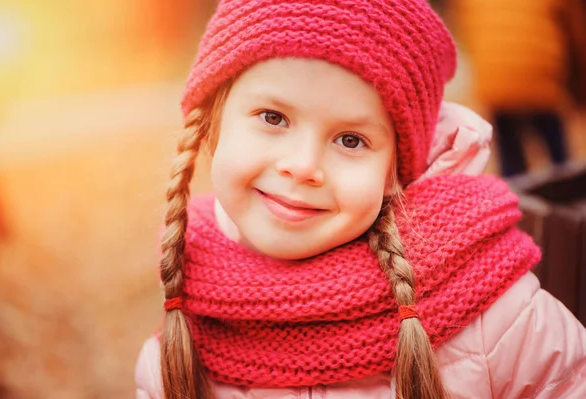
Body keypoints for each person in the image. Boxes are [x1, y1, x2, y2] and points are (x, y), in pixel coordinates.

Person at [135, 1, 586, 398]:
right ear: (214, 124)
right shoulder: (180, 340)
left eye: (350, 140)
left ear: (395, 171)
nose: (303, 165)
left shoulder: (493, 317)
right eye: (273, 117)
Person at [450, 0, 586, 177]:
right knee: (557, 154)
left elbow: (464, 28)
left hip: (496, 79)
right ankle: (568, 189)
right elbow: (575, 32)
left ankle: (517, 197)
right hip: (541, 77)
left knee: (511, 159)